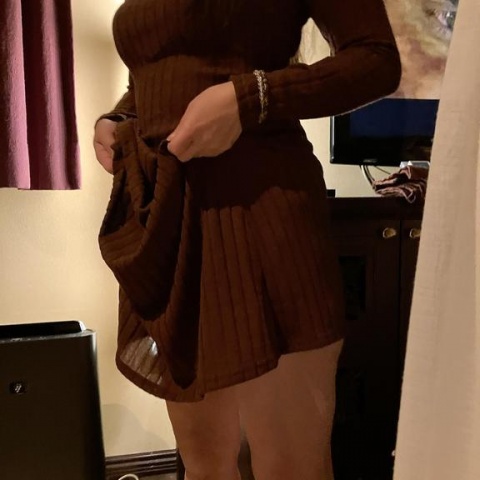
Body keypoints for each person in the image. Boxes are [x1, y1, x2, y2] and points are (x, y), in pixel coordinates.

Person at [93, 1, 401, 479]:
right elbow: (165, 68)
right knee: (203, 461)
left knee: (290, 465)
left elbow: (376, 59)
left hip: (261, 207)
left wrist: (250, 97)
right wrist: (120, 116)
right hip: (172, 221)